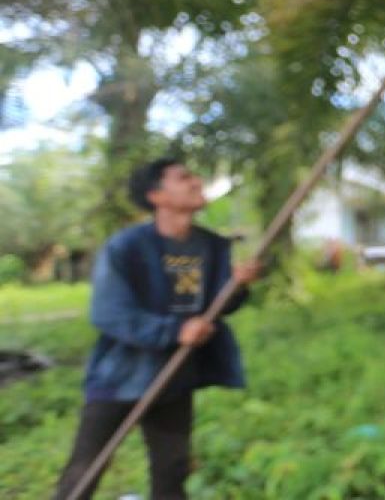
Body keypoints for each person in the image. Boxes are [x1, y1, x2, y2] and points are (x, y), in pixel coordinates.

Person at [55, 159, 262, 500]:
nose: (196, 181)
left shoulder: (211, 246)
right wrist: (174, 331)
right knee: (84, 471)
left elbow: (218, 306)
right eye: (183, 178)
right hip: (121, 376)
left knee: (172, 471)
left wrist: (237, 285)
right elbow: (109, 313)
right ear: (157, 196)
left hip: (175, 377)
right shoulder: (126, 247)